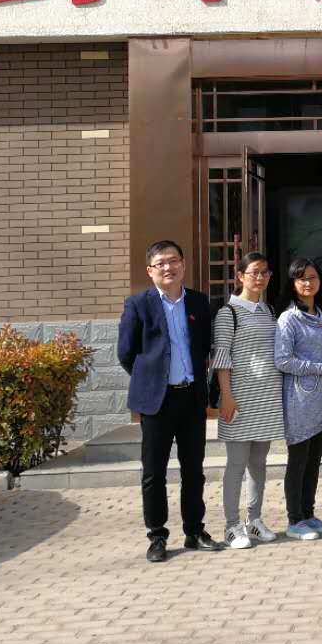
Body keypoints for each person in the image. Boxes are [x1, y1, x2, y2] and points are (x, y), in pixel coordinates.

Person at [117, 239, 223, 562]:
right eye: (161, 263)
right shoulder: (138, 304)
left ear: (183, 265)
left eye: (173, 261)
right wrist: (152, 379)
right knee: (154, 472)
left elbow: (205, 347)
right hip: (157, 402)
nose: (168, 267)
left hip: (191, 397)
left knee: (194, 470)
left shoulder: (199, 302)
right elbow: (126, 353)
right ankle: (157, 536)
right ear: (150, 270)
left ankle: (194, 530)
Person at [210, 251, 283, 549]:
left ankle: (254, 520)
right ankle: (231, 525)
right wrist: (226, 396)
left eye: (265, 272)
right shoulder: (228, 313)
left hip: (267, 398)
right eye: (254, 272)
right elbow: (222, 357)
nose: (260, 277)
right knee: (236, 464)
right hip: (239, 399)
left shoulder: (269, 311)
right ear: (240, 276)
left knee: (259, 464)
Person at [273, 257, 322, 540]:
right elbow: (282, 360)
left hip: (321, 399)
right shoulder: (288, 318)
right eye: (301, 278)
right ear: (293, 284)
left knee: (314, 462)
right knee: (298, 462)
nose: (307, 283)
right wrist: (320, 369)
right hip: (299, 400)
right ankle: (295, 520)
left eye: (312, 277)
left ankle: (309, 514)